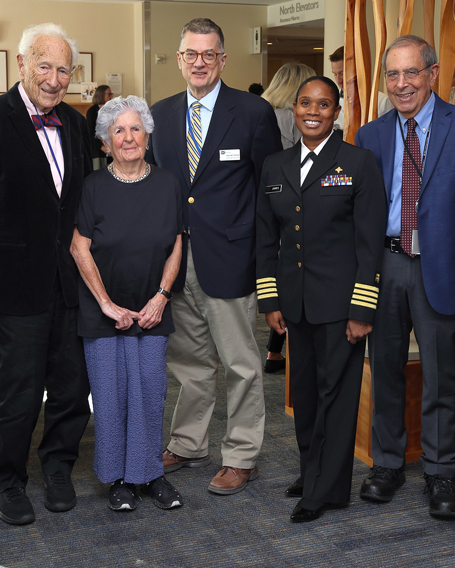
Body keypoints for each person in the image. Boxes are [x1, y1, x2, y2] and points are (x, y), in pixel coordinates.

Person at [354, 35, 455, 519]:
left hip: (443, 269)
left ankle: (442, 472)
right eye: (392, 75)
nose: (401, 84)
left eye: (411, 72)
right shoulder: (371, 134)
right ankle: (389, 464)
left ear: (433, 74)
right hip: (388, 264)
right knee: (388, 369)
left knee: (441, 378)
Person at [0, 22, 92, 526]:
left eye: (63, 69)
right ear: (21, 64)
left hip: (69, 282)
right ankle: (7, 480)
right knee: (17, 391)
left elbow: (78, 207)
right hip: (11, 282)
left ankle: (58, 466)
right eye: (44, 66)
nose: (54, 79)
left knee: (71, 385)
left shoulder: (77, 125)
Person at [147, 18, 281, 495]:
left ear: (222, 59)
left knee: (241, 364)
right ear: (179, 58)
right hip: (176, 263)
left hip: (232, 260)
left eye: (209, 54)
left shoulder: (252, 112)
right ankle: (187, 443)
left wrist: (267, 263)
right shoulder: (158, 115)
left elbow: (270, 190)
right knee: (189, 363)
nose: (199, 62)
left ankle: (242, 453)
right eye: (191, 54)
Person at [257, 76, 386, 522]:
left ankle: (325, 489)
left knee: (338, 397)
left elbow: (370, 245)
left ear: (337, 111)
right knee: (306, 396)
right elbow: (265, 238)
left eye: (324, 104)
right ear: (295, 108)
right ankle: (312, 470)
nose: (314, 111)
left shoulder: (357, 162)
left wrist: (363, 309)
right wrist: (270, 300)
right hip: (295, 305)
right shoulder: (275, 165)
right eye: (306, 103)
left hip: (341, 307)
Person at [71, 95, 184, 512]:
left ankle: (149, 472)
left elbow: (176, 243)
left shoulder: (169, 183)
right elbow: (79, 247)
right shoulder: (93, 185)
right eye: (118, 131)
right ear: (105, 143)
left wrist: (161, 297)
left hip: (152, 308)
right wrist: (105, 303)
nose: (128, 137)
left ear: (148, 136)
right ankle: (117, 479)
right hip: (104, 312)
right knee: (111, 393)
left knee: (150, 393)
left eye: (135, 128)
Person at [260, 61, 315, 374]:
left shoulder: (264, 112)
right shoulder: (296, 118)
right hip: (298, 203)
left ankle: (274, 350)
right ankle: (282, 349)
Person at [329, 45, 392, 130]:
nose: (338, 80)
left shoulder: (382, 101)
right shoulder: (330, 101)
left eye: (342, 73)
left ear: (356, 70)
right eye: (335, 74)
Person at [86, 84, 113, 170]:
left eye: (111, 94)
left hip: (111, 148)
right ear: (101, 95)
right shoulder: (92, 112)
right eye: (109, 94)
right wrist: (102, 147)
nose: (111, 96)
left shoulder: (112, 110)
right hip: (98, 150)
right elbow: (90, 134)